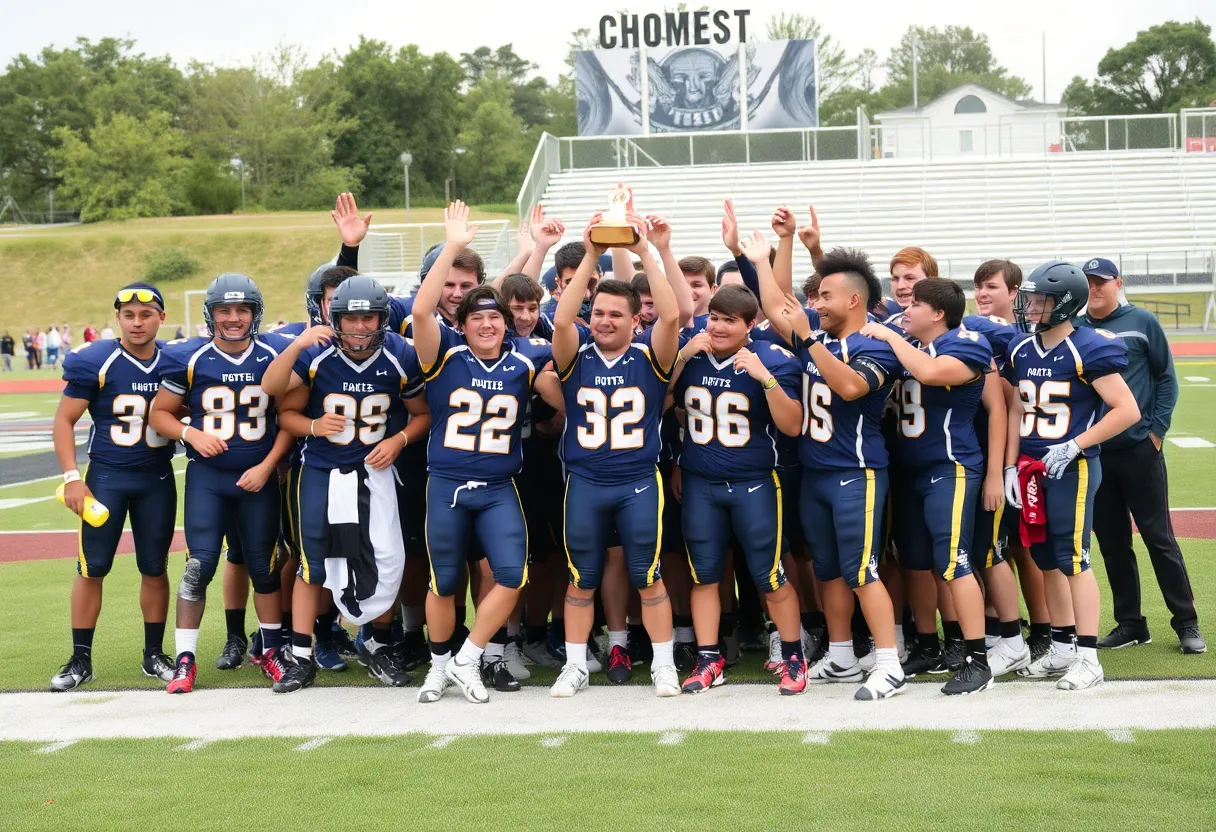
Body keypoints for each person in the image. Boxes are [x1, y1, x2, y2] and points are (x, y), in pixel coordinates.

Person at [412, 201, 561, 705]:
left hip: (499, 488)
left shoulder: (526, 359)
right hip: (448, 486)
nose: (488, 325)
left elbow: (560, 392)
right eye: (477, 318)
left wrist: (535, 252)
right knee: (445, 580)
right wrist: (453, 246)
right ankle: (438, 668)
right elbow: (418, 310)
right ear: (463, 323)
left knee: (511, 574)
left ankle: (467, 658)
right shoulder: (443, 355)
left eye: (494, 317)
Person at [260, 275, 431, 693]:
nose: (359, 327)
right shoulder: (317, 353)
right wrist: (315, 424)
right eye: (350, 318)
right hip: (322, 470)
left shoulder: (399, 354)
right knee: (312, 563)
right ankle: (301, 655)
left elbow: (422, 415)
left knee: (383, 559)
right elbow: (277, 400)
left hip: (374, 473)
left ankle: (376, 643)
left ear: (381, 319)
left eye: (368, 318)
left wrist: (398, 439)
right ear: (334, 318)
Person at [758, 243, 908, 700]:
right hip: (816, 470)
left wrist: (808, 340)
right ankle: (841, 653)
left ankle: (888, 663)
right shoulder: (818, 337)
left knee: (862, 570)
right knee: (827, 571)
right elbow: (773, 305)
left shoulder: (876, 343)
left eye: (825, 296)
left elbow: (847, 387)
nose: (815, 304)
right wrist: (761, 257)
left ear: (853, 300)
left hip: (856, 472)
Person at [549, 210, 683, 699]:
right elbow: (563, 318)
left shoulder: (652, 355)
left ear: (633, 320)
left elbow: (672, 316)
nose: (604, 321)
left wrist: (645, 249)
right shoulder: (574, 353)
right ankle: (575, 664)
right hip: (584, 481)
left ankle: (663, 664)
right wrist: (589, 254)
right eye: (599, 313)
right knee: (581, 578)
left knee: (648, 575)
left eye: (615, 314)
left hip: (637, 482)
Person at [149, 273, 298, 694]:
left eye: (242, 310)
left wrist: (269, 465)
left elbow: (287, 418)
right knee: (198, 567)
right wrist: (190, 433)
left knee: (264, 567)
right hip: (209, 479)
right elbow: (160, 414)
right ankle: (184, 659)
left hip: (257, 478)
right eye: (224, 310)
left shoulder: (275, 353)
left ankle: (269, 651)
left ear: (255, 313)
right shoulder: (191, 357)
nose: (233, 318)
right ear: (210, 314)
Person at [860, 279, 1003, 695]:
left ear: (938, 313)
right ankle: (928, 645)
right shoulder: (912, 345)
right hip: (908, 471)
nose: (906, 309)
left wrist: (887, 333)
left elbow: (930, 372)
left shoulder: (966, 344)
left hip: (950, 467)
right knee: (916, 564)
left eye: (916, 304)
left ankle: (977, 660)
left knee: (955, 562)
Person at [1006, 261, 1140, 690]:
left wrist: (1076, 444)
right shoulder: (1021, 349)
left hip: (1073, 467)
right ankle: (1062, 647)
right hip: (1031, 468)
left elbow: (1127, 410)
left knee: (1074, 559)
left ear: (1065, 303)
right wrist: (1010, 463)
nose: (1029, 308)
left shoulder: (1090, 346)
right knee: (1046, 559)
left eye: (1039, 300)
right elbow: (1015, 410)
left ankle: (1088, 656)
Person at [672, 272, 808, 695]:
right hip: (701, 484)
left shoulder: (774, 358)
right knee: (705, 576)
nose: (717, 327)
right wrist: (678, 361)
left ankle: (792, 655)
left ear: (750, 325)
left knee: (769, 575)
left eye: (730, 320)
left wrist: (765, 377)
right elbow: (656, 405)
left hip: (753, 483)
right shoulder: (691, 352)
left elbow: (792, 424)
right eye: (714, 317)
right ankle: (709, 658)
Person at [48, 283, 178, 691]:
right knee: (92, 568)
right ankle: (80, 658)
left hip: (156, 477)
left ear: (161, 317)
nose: (137, 323)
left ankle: (153, 654)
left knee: (155, 568)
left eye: (146, 314)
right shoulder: (98, 361)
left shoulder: (176, 362)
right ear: (118, 319)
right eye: (128, 316)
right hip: (106, 477)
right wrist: (72, 477)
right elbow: (64, 420)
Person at [1077, 257, 1205, 654]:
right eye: (1088, 283)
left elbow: (1166, 378)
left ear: (1117, 282)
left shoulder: (1143, 322)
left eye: (1101, 282)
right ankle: (1130, 624)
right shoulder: (1075, 328)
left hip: (1138, 449)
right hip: (1095, 453)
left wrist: (1156, 433)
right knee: (1113, 543)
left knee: (1158, 538)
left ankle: (1187, 623)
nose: (1095, 289)